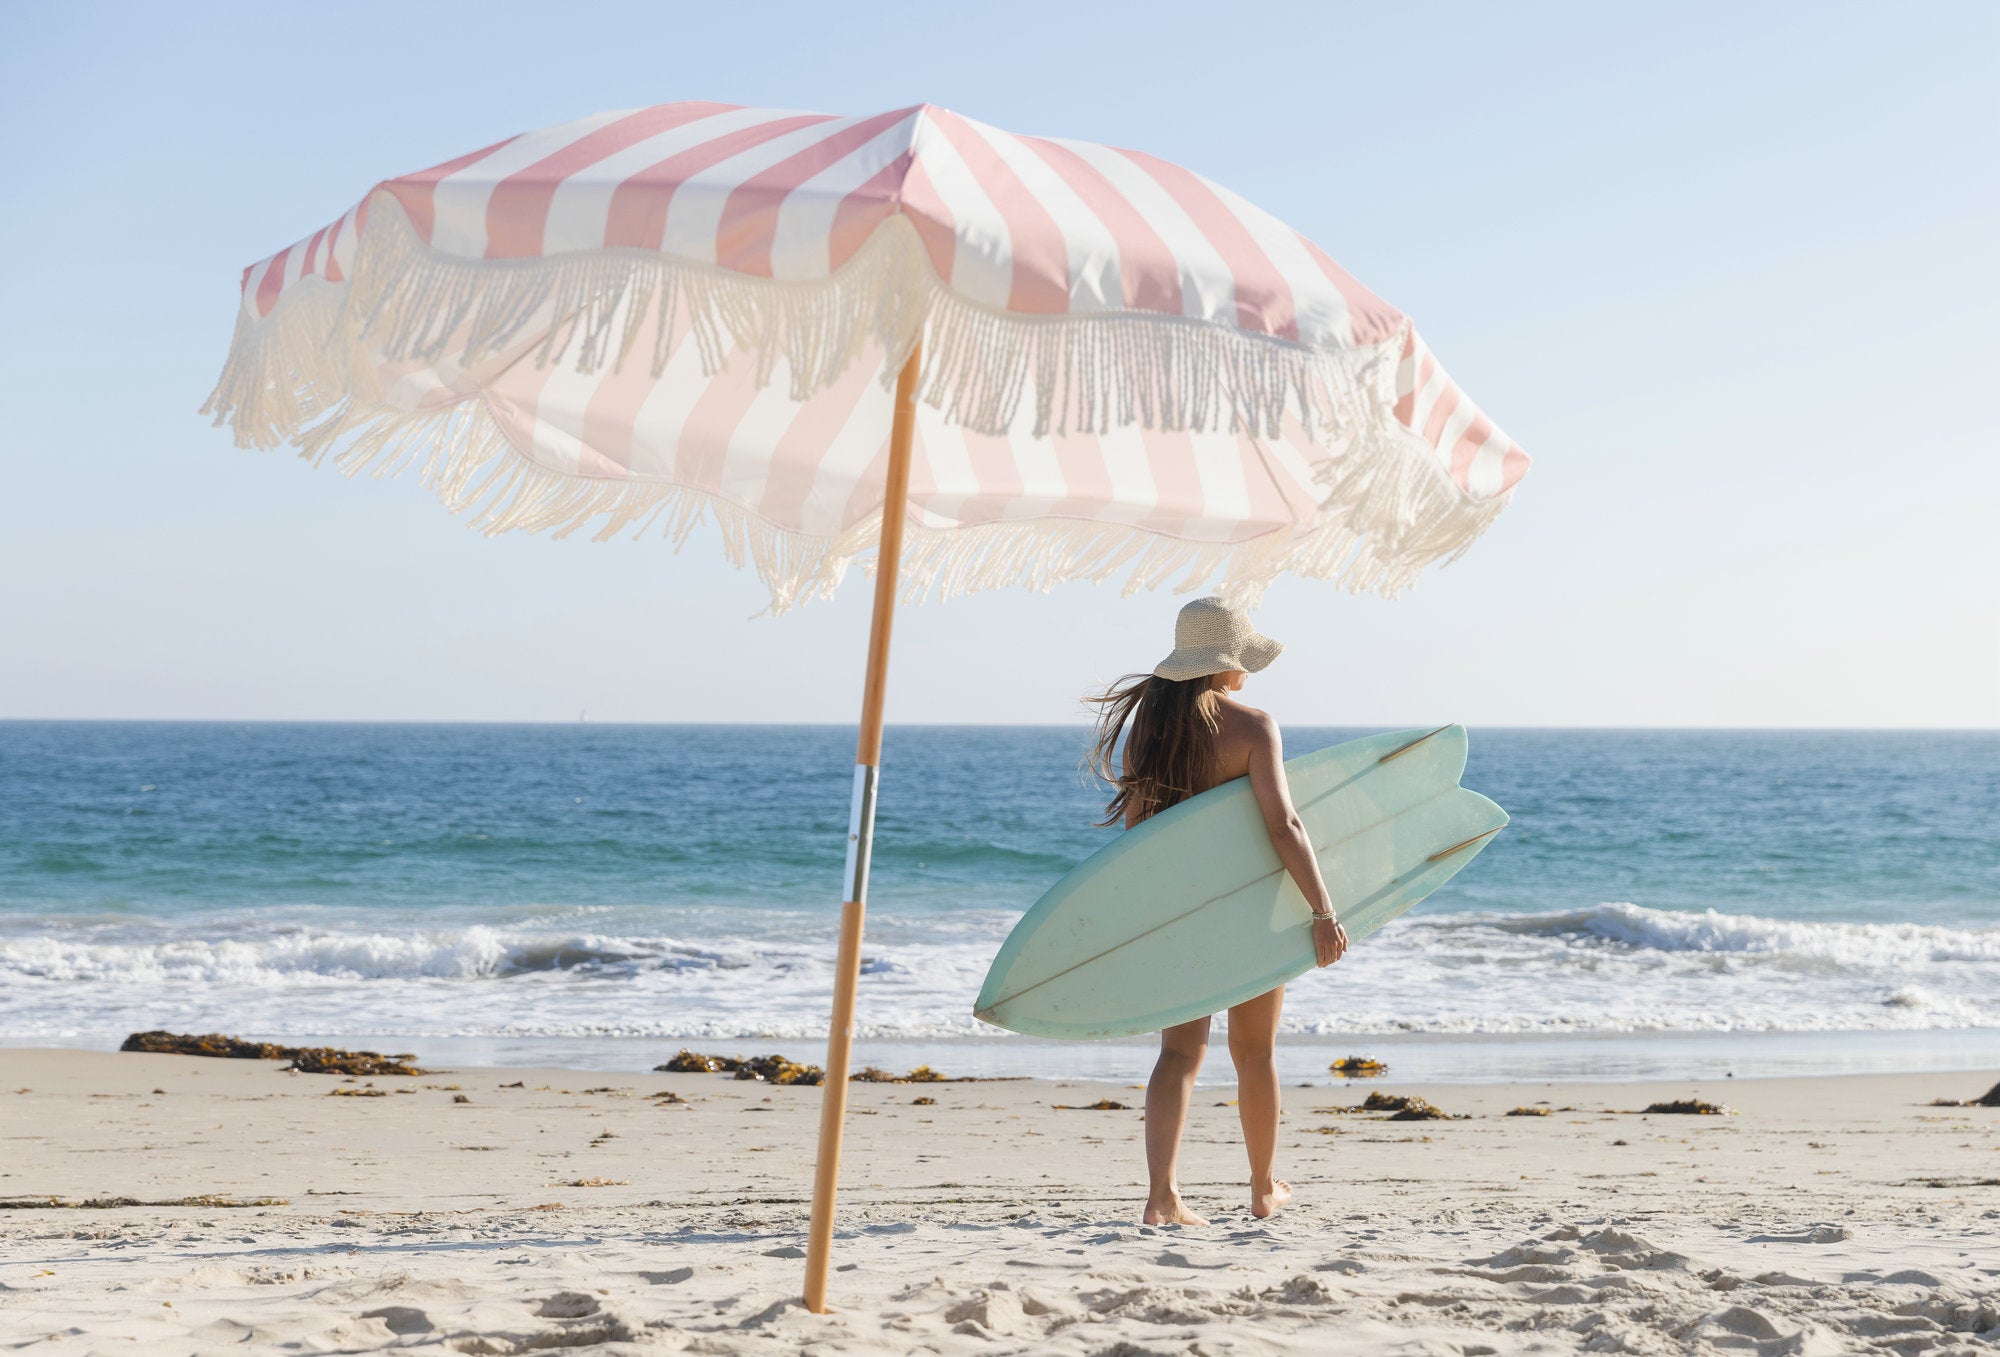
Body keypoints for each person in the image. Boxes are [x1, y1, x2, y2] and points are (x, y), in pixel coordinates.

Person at [1085, 597, 1348, 1224]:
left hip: (1178, 913)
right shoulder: (1254, 726)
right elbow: (1283, 825)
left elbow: (1137, 831)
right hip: (1251, 910)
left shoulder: (1149, 730)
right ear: (1225, 663)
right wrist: (1322, 910)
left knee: (1179, 1054)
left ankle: (1161, 1196)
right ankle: (1261, 1188)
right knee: (1254, 1053)